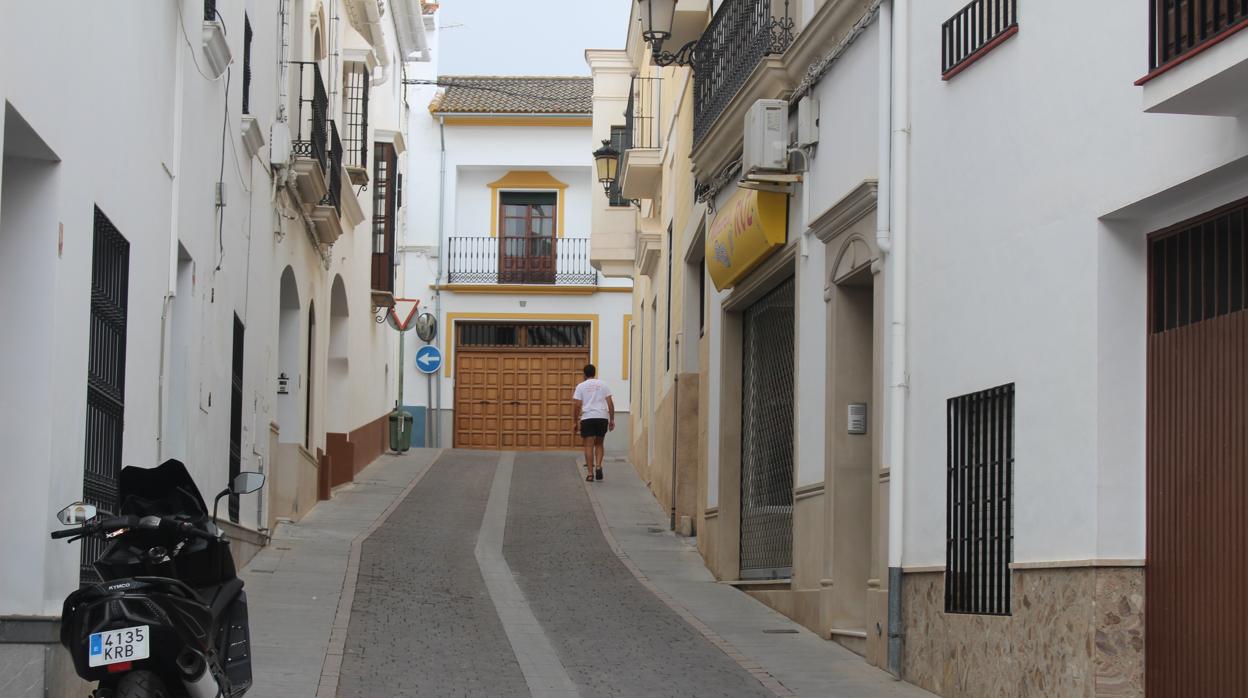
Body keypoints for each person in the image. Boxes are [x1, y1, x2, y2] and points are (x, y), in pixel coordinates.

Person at [572, 364, 614, 482]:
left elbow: (577, 405)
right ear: (594, 373)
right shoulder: (603, 384)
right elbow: (610, 403)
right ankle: (599, 466)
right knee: (599, 444)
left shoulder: (581, 386)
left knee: (588, 446)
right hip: (602, 417)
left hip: (588, 418)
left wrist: (575, 421)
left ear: (584, 374)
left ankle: (590, 474)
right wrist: (612, 420)